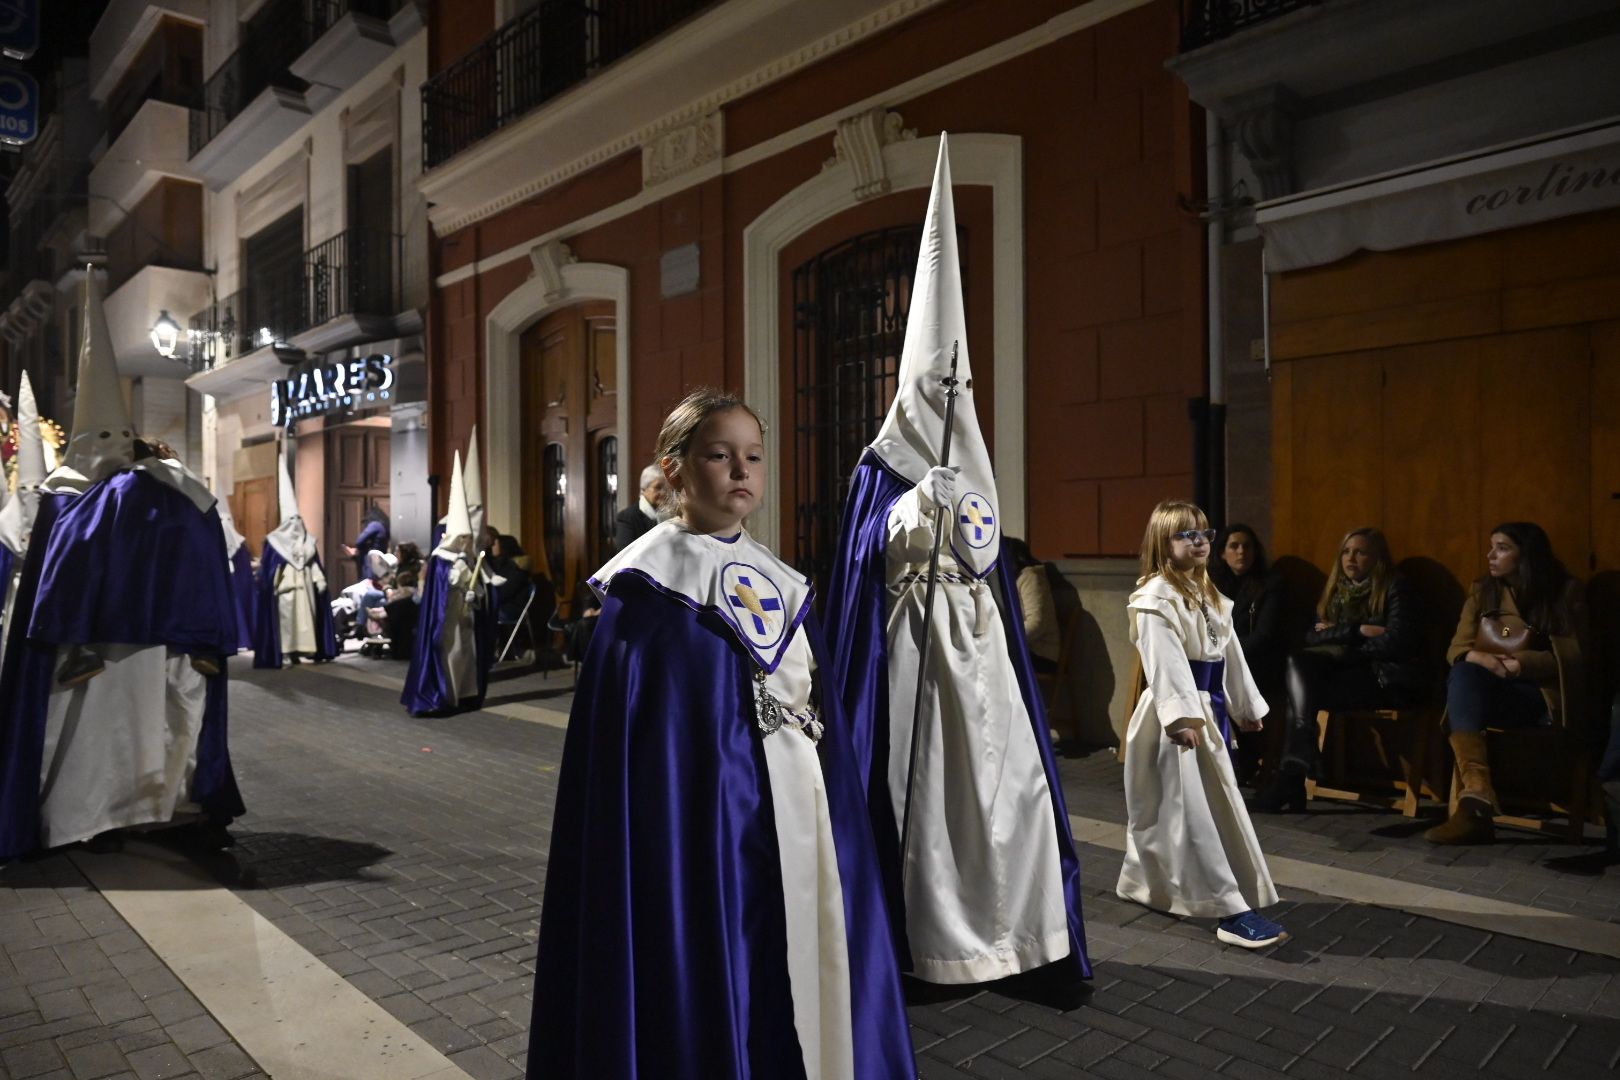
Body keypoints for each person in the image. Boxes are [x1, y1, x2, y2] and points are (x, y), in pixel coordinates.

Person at [528, 388, 916, 1078]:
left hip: (804, 817)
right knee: (725, 955)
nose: (741, 470)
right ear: (674, 471)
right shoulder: (645, 596)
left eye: (754, 457)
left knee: (812, 948)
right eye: (719, 455)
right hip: (700, 831)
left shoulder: (785, 583)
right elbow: (645, 744)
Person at [825, 135, 1089, 987]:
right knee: (934, 801)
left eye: (960, 391)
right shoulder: (880, 471)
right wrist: (914, 507)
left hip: (982, 653)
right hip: (917, 654)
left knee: (1009, 796)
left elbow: (985, 558)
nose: (953, 403)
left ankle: (1019, 938)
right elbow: (868, 558)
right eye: (940, 391)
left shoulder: (971, 470)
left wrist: (961, 505)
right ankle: (941, 945)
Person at [0, 274, 243, 859]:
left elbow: (53, 571)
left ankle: (114, 815)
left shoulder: (82, 492)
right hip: (143, 645)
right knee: (126, 732)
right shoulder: (163, 486)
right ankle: (124, 813)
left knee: (112, 734)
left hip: (100, 647)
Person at [1119, 499, 1286, 948]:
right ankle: (1229, 911)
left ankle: (1145, 883)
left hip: (1205, 712)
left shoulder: (1207, 592)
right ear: (1162, 542)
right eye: (1186, 534)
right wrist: (1180, 719)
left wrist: (1244, 707)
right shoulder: (1157, 597)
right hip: (1175, 721)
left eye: (1204, 534)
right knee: (1192, 814)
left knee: (1193, 809)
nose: (1200, 542)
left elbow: (1229, 655)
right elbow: (1165, 663)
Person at [1425, 522, 1586, 845]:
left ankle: (1474, 808)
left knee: (1465, 687)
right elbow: (1456, 648)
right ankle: (1477, 791)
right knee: (1463, 673)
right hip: (1489, 689)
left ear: (1525, 555)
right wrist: (1481, 658)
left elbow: (1575, 655)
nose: (1491, 555)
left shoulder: (1563, 591)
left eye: (1502, 548)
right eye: (1491, 546)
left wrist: (1520, 664)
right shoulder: (1483, 590)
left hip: (1540, 696)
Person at [1251, 527, 1431, 812]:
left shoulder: (1396, 586)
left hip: (1386, 679)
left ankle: (1291, 780)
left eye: (1360, 552)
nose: (1351, 558)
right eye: (1346, 552)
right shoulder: (1336, 591)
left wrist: (1340, 636)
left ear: (1377, 557)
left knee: (1301, 694)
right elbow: (1312, 636)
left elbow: (1396, 641)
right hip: (1349, 676)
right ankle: (1298, 766)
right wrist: (1359, 629)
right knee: (1299, 666)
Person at [401, 452, 490, 716]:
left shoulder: (470, 557)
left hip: (465, 618)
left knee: (465, 658)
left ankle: (463, 696)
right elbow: (442, 588)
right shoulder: (442, 558)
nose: (465, 540)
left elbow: (479, 583)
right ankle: (443, 695)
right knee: (450, 656)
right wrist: (460, 582)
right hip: (447, 618)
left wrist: (477, 593)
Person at [1208, 523, 1286, 786]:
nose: (1241, 552)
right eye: (1234, 546)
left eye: (1247, 546)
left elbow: (1265, 635)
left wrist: (1228, 653)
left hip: (1256, 661)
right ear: (1222, 553)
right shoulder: (1213, 586)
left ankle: (1244, 760)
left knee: (1231, 684)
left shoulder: (1270, 585)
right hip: (1221, 657)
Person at [251, 450, 338, 667]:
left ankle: (305, 650)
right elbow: (270, 570)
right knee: (288, 622)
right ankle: (287, 651)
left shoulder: (307, 542)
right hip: (286, 591)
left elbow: (315, 565)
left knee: (306, 621)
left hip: (305, 589)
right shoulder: (275, 543)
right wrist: (274, 581)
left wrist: (319, 581)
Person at [1005, 536, 1061, 674]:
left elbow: (1037, 623)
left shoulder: (1031, 577)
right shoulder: (1012, 579)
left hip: (1040, 652)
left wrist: (1008, 639)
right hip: (1023, 649)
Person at [613, 462, 667, 550]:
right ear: (643, 489)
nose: (664, 493)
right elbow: (625, 554)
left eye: (666, 488)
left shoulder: (671, 514)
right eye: (658, 487)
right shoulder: (627, 517)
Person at [341, 505, 390, 584]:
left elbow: (359, 541)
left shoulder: (375, 525)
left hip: (370, 562)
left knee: (366, 586)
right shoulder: (383, 527)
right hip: (380, 563)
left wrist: (356, 550)